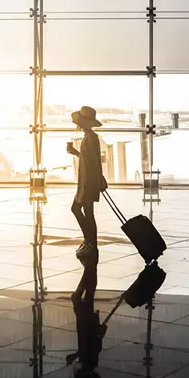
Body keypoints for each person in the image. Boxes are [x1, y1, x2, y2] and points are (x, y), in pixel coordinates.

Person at [66, 106, 108, 263]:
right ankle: (90, 242)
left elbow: (93, 162)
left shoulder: (91, 138)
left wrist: (96, 180)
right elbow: (90, 159)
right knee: (87, 213)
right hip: (87, 180)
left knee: (78, 210)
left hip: (88, 181)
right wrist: (75, 153)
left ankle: (90, 242)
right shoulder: (90, 136)